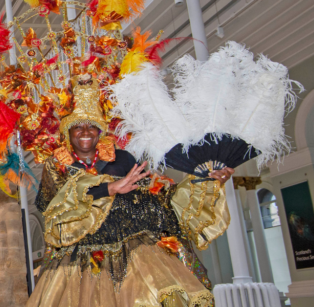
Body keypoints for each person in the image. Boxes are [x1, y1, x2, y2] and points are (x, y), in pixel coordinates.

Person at [26, 76, 233, 307]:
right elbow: (53, 207)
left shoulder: (122, 158)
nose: (85, 131)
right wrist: (110, 188)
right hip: (78, 256)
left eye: (91, 126)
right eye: (78, 126)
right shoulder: (57, 164)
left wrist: (204, 180)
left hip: (136, 248)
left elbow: (158, 193)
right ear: (68, 131)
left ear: (100, 131)